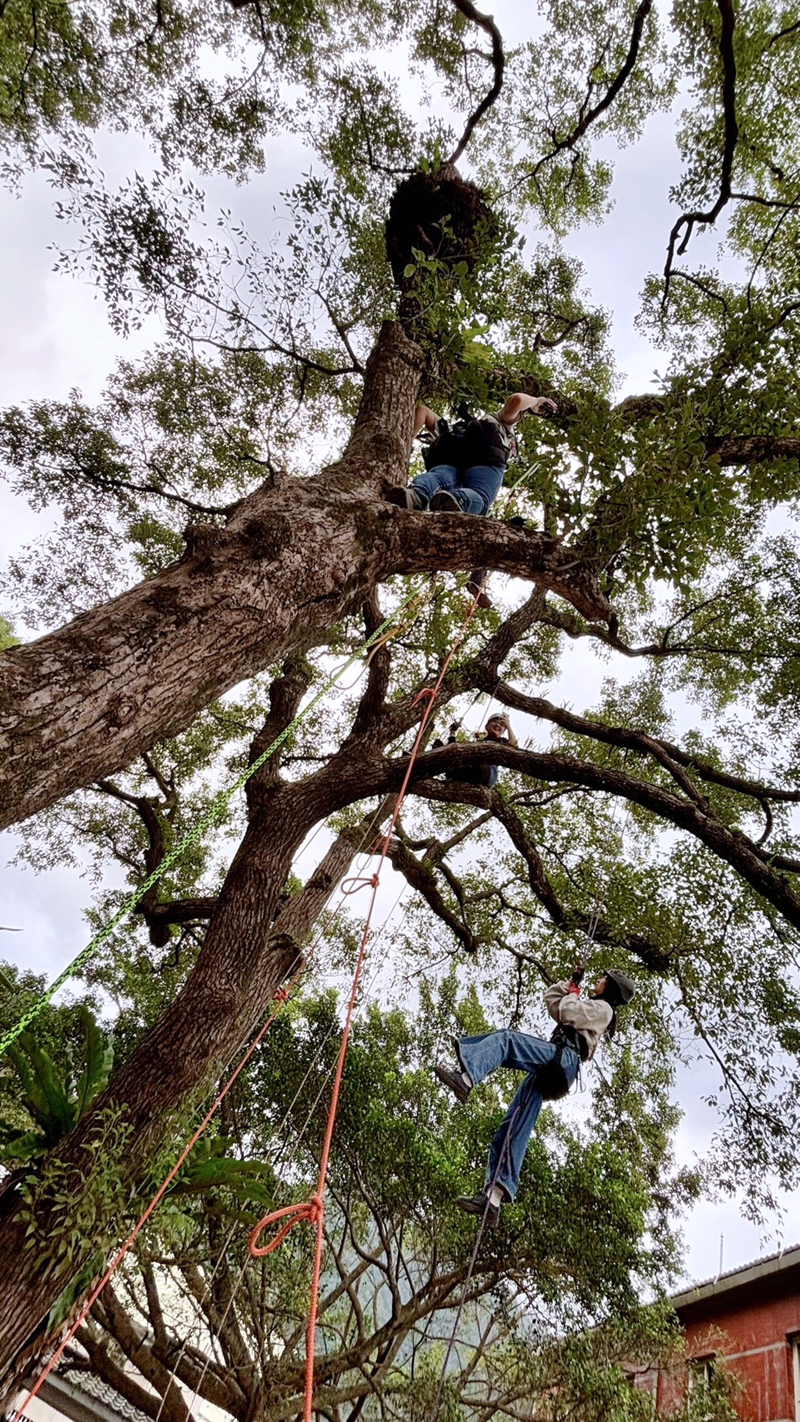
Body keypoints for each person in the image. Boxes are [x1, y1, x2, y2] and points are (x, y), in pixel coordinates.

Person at [434, 968, 636, 1226]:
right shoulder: (593, 1006)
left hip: (563, 1060)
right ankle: (493, 1200)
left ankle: (466, 1078)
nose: (599, 980)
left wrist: (573, 995)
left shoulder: (604, 1010)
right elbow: (554, 1002)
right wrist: (569, 986)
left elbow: (568, 1012)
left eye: (603, 979)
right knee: (514, 1125)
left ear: (610, 988)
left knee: (508, 1040)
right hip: (556, 1067)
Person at [386, 394, 557, 609]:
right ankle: (459, 503)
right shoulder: (500, 424)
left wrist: (406, 443)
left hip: (451, 457)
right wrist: (536, 402)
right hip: (487, 455)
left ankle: (415, 496)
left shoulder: (456, 432)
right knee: (480, 496)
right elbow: (514, 400)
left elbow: (423, 411)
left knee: (439, 477)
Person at [431, 712, 517, 788]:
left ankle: (451, 770)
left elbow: (512, 744)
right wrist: (452, 733)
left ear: (503, 731)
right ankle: (444, 767)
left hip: (487, 774)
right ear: (487, 726)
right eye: (495, 722)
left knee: (461, 759)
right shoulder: (482, 742)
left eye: (502, 725)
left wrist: (508, 726)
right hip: (471, 773)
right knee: (443, 750)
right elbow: (456, 753)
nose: (498, 725)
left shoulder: (501, 741)